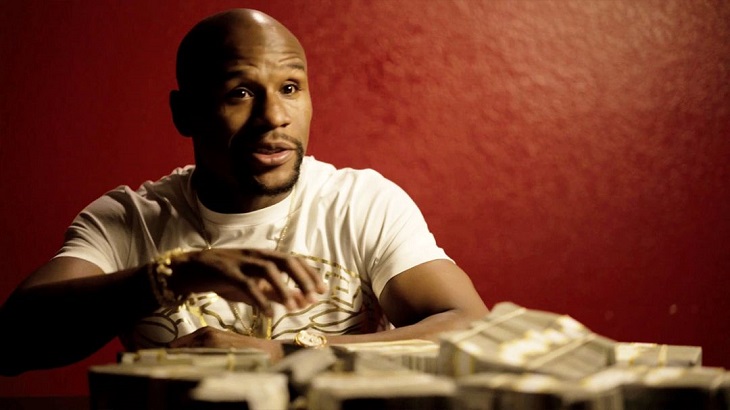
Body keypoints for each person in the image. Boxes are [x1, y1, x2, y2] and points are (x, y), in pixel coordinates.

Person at [0, 8, 487, 376]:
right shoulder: (130, 219)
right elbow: (12, 341)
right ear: (184, 113)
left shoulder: (361, 203)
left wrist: (284, 354)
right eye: (241, 92)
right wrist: (175, 274)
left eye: (290, 88)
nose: (274, 116)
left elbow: (469, 325)